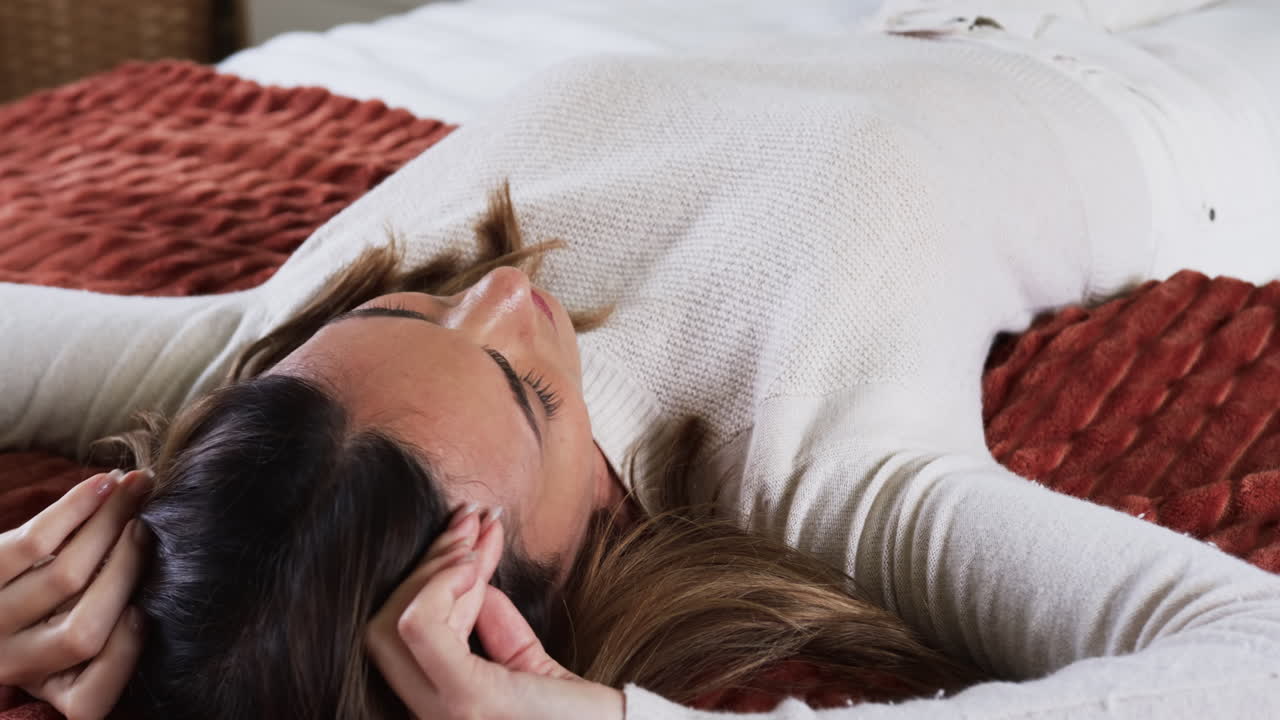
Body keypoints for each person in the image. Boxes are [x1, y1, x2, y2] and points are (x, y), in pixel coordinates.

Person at [2, 1, 1280, 718]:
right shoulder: (814, 462)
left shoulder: (254, 370)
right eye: (532, 393)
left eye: (400, 306)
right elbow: (1252, 659)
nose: (500, 293)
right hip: (1193, 103)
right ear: (576, 550)